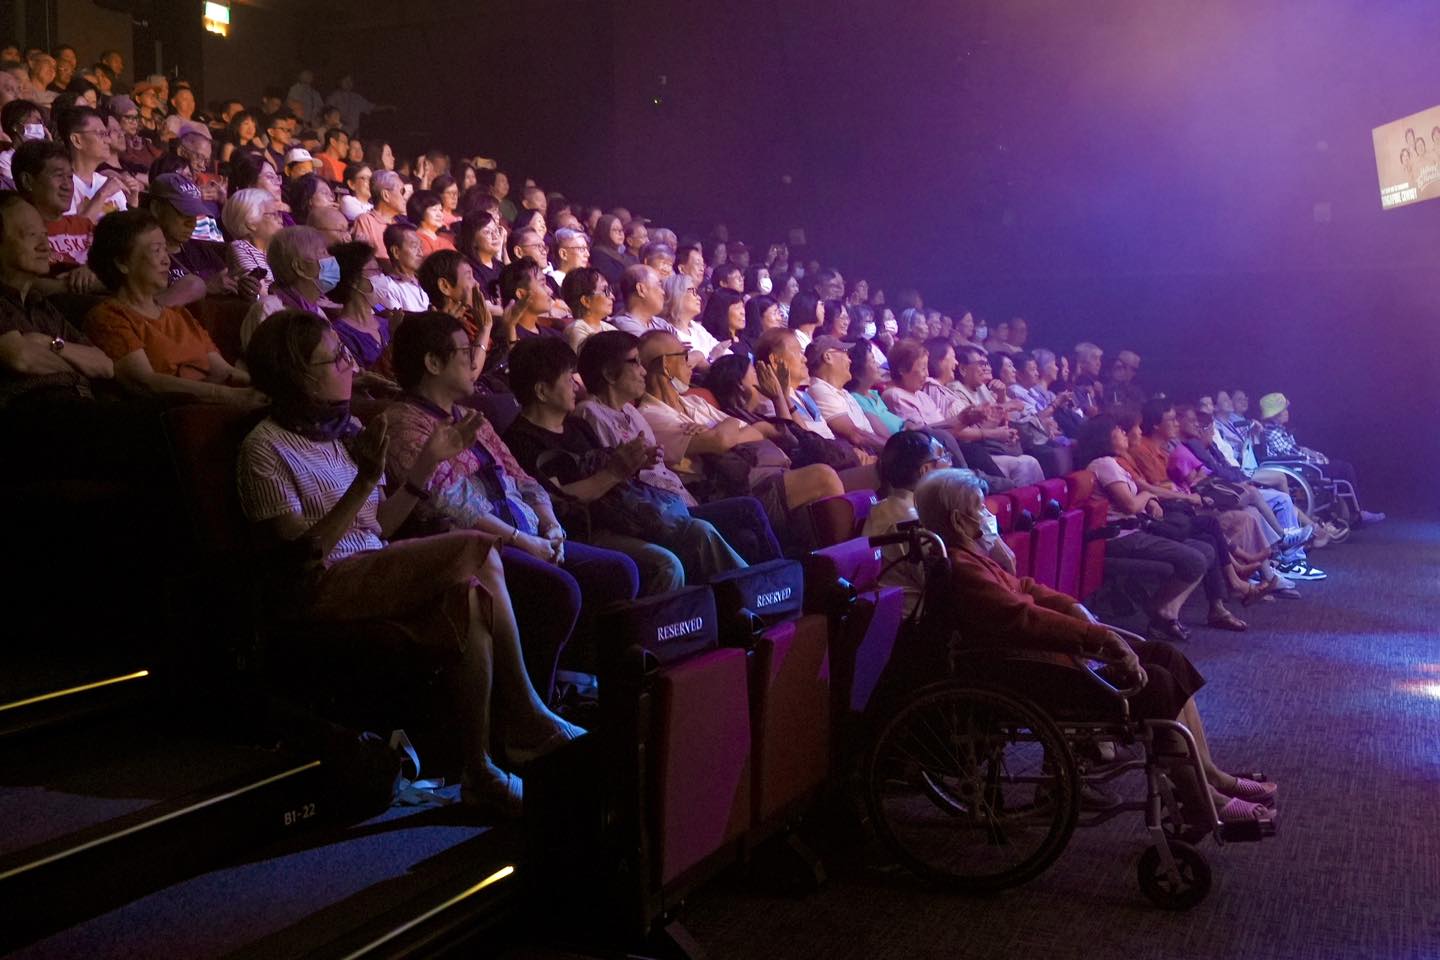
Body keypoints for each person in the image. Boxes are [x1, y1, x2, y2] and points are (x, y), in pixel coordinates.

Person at [239, 308, 579, 815]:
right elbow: (301, 559)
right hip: (321, 585)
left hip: (373, 565)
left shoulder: (348, 429)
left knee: (470, 598)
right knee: (475, 547)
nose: (351, 366)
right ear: (297, 375)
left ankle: (479, 768)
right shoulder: (263, 448)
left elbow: (381, 527)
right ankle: (525, 713)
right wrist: (362, 482)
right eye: (336, 359)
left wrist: (426, 462)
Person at [911, 467, 1276, 827]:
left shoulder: (973, 556)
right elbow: (1024, 617)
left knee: (1166, 657)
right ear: (960, 520)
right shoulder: (964, 568)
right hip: (1027, 672)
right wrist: (1097, 638)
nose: (990, 514)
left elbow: (1024, 588)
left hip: (1038, 659)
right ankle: (1200, 799)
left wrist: (1071, 605)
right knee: (1158, 683)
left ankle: (1211, 775)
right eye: (981, 507)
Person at [384, 310, 639, 695]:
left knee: (619, 571)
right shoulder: (404, 423)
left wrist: (549, 522)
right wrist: (525, 541)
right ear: (433, 363)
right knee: (559, 589)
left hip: (528, 531)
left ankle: (576, 679)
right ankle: (533, 703)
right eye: (465, 350)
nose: (475, 360)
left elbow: (522, 478)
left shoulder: (473, 417)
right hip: (478, 546)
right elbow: (453, 503)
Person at [503, 334, 750, 594]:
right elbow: (557, 501)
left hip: (622, 516)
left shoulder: (575, 428)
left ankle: (747, 603)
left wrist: (635, 463)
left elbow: (608, 473)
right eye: (568, 380)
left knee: (718, 522)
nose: (576, 387)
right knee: (669, 562)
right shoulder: (522, 441)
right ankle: (742, 602)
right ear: (542, 391)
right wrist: (615, 472)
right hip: (585, 531)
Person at [636, 329, 841, 545]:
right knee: (823, 477)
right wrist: (725, 430)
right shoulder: (651, 415)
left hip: (759, 473)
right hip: (729, 491)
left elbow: (760, 430)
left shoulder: (693, 402)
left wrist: (727, 428)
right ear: (666, 366)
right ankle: (844, 568)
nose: (690, 364)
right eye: (684, 356)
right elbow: (721, 442)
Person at [83, 209, 262, 406]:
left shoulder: (179, 315)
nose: (166, 259)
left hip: (214, 409)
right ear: (123, 263)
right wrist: (230, 396)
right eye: (156, 250)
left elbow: (224, 371)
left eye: (165, 249)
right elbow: (145, 383)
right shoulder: (109, 317)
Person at [1076, 416, 1232, 640]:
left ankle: (1167, 611)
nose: (1123, 433)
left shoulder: (1114, 463)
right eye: (1118, 430)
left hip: (1135, 530)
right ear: (1105, 437)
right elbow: (1130, 505)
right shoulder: (1103, 464)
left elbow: (1141, 491)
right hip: (1120, 537)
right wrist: (1148, 495)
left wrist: (1151, 496)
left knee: (1206, 549)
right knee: (1195, 559)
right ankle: (1157, 608)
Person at [0, 191, 115, 408]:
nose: (46, 246)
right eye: (31, 235)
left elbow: (105, 365)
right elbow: (21, 357)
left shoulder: (41, 305)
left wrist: (48, 343)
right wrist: (78, 365)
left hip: (81, 408)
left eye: (45, 234)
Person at [1256, 391, 1383, 524]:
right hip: (1296, 468)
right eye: (1284, 409)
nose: (1287, 412)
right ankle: (1357, 513)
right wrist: (1317, 458)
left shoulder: (1279, 429)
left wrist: (1314, 454)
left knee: (1341, 468)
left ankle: (1354, 513)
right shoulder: (1272, 432)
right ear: (1276, 414)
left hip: (1299, 465)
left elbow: (1296, 450)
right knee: (1344, 468)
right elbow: (1291, 454)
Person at [11, 140, 104, 291]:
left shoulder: (86, 226)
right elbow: (18, 284)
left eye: (70, 177)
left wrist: (92, 271)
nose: (67, 185)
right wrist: (72, 285)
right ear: (28, 181)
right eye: (59, 176)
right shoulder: (13, 232)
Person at [240, 225, 340, 349]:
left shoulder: (318, 312)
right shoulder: (268, 309)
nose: (331, 259)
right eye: (323, 252)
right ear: (299, 267)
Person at [805, 334, 887, 454]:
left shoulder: (843, 393)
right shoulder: (820, 389)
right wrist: (894, 449)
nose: (849, 360)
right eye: (844, 352)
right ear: (828, 357)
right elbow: (855, 435)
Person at [59, 106, 133, 218]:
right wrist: (102, 194)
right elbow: (71, 232)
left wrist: (132, 203)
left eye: (107, 134)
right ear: (77, 140)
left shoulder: (109, 183)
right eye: (101, 134)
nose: (108, 141)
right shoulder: (61, 186)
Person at [328, 240, 391, 371]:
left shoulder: (386, 322)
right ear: (354, 281)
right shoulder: (340, 334)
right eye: (375, 271)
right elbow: (363, 380)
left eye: (380, 270)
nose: (381, 276)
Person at [222, 187, 283, 284]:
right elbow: (258, 289)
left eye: (280, 214)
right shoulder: (240, 247)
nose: (280, 220)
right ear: (251, 223)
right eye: (274, 214)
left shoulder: (277, 251)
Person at [662, 271, 720, 363]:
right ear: (677, 294)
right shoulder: (666, 332)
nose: (699, 298)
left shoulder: (697, 328)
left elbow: (722, 350)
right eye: (693, 291)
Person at [372, 223, 431, 312]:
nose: (420, 253)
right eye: (414, 246)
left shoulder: (425, 282)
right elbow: (387, 313)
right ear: (396, 252)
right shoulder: (386, 287)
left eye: (420, 247)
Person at [350, 169, 405, 260]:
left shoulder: (401, 224)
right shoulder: (365, 221)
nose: (405, 198)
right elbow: (365, 261)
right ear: (386, 195)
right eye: (402, 191)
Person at [608, 264, 674, 337]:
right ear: (641, 289)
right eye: (658, 285)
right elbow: (653, 348)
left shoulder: (661, 323)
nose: (663, 292)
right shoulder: (622, 324)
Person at [560, 266, 616, 351]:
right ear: (586, 301)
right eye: (605, 291)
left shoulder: (610, 329)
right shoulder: (576, 331)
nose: (612, 297)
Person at [407, 188, 455, 257]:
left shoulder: (446, 242)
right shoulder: (416, 241)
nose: (440, 214)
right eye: (434, 210)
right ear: (419, 211)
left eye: (441, 210)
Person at [589, 214, 628, 286]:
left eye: (621, 229)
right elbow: (614, 278)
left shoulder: (622, 253)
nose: (620, 233)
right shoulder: (598, 254)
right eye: (615, 230)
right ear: (604, 231)